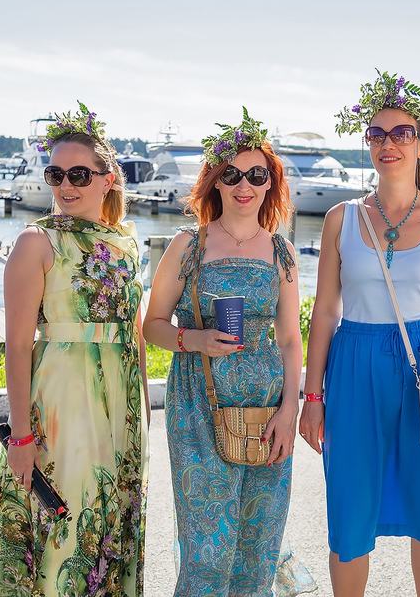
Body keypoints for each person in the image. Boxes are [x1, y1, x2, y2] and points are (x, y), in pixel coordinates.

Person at [0, 103, 149, 595]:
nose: (65, 186)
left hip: (123, 410)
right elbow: (16, 346)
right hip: (61, 402)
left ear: (108, 178)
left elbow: (134, 330)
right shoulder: (36, 243)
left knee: (110, 522)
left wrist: (142, 412)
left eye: (78, 173)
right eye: (55, 173)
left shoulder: (125, 244)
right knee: (64, 524)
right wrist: (22, 437)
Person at [300, 71, 420, 596]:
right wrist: (311, 396)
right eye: (378, 134)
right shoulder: (341, 217)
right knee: (350, 508)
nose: (389, 144)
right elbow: (325, 315)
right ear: (368, 144)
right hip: (355, 362)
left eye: (402, 133)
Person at [143, 109, 314, 596]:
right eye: (232, 174)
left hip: (268, 411)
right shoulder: (188, 245)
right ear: (215, 182)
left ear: (269, 183)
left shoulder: (280, 251)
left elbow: (289, 338)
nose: (244, 185)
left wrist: (290, 408)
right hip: (200, 402)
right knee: (206, 549)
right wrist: (193, 339)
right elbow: (152, 325)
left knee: (257, 544)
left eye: (256, 175)